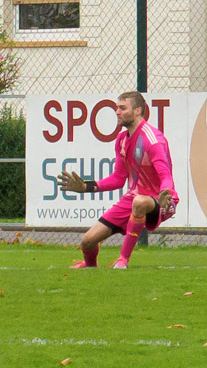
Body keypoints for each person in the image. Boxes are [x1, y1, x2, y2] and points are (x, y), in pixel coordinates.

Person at [58, 91, 176, 269]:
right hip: (133, 199)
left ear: (137, 110)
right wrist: (86, 187)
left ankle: (123, 260)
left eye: (122, 108)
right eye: (116, 108)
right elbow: (118, 179)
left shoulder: (153, 139)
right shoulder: (121, 139)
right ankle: (90, 266)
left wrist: (166, 194)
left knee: (139, 202)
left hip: (160, 200)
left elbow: (165, 175)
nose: (117, 112)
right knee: (87, 241)